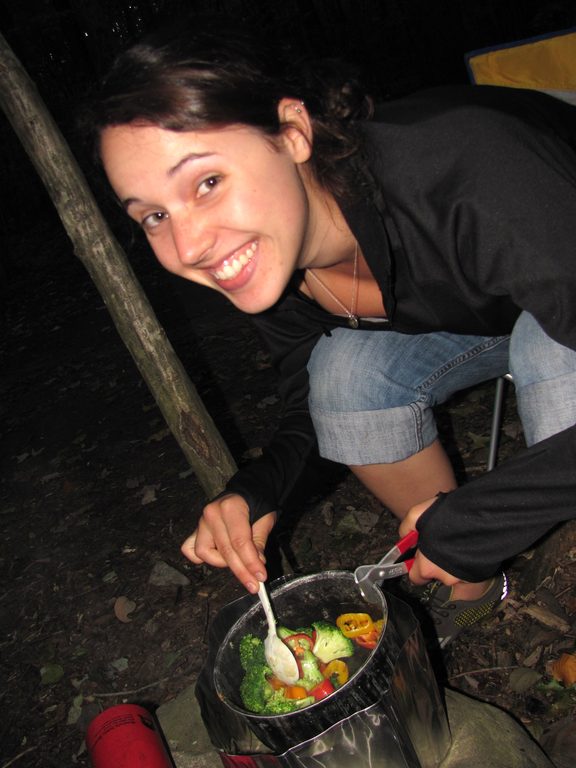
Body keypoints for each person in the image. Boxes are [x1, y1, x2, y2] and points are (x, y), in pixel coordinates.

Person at [84, 20, 576, 646]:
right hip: (496, 308)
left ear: (292, 133)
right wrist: (256, 492)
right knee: (341, 378)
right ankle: (476, 581)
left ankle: (529, 553)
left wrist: (485, 515)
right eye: (154, 215)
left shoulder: (468, 169)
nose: (190, 245)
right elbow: (308, 405)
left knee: (550, 353)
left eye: (207, 182)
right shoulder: (273, 263)